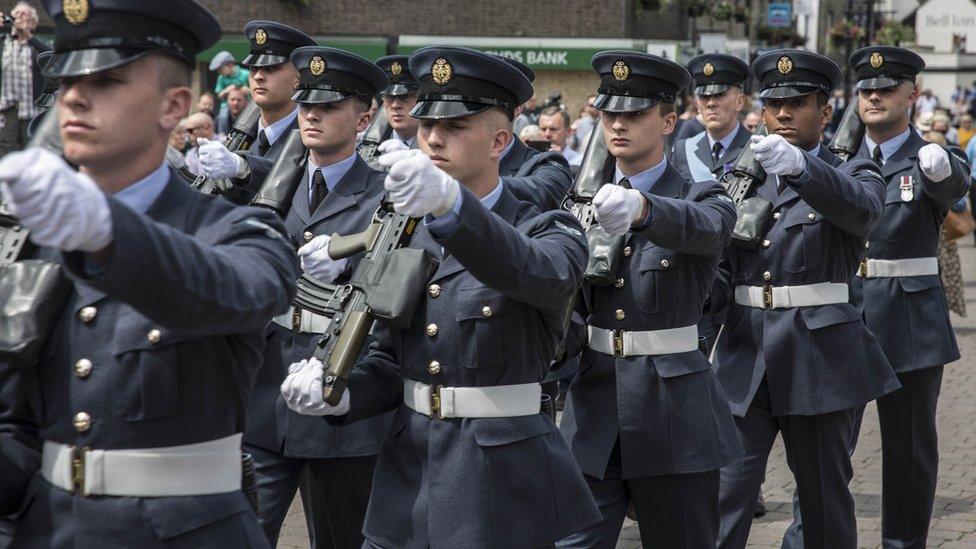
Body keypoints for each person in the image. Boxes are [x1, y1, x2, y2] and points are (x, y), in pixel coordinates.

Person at [0, 1, 299, 547]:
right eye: (66, 80)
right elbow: (17, 425)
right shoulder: (33, 237)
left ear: (174, 106)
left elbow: (241, 289)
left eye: (107, 80)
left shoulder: (236, 230)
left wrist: (105, 228)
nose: (74, 98)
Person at [279, 45, 601, 548]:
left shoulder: (547, 228)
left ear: (499, 140)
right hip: (407, 481)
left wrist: (453, 208)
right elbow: (390, 359)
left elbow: (538, 274)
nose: (432, 137)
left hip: (500, 483)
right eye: (428, 124)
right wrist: (336, 395)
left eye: (455, 127)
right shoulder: (405, 231)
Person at [710, 49, 899, 549]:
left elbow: (862, 211)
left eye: (798, 103)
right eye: (775, 105)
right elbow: (718, 271)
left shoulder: (856, 171)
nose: (784, 115)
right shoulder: (740, 177)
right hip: (745, 352)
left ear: (825, 111)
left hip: (820, 354)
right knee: (723, 492)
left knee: (821, 498)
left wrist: (801, 169)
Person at [556, 51, 741, 548]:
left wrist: (643, 208)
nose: (618, 124)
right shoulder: (579, 202)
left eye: (634, 114)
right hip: (594, 409)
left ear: (667, 121)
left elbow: (710, 229)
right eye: (609, 113)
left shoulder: (703, 195)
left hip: (673, 411)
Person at [242, 46, 389, 549]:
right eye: (306, 104)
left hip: (341, 390)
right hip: (267, 395)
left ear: (364, 117)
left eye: (328, 107)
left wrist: (356, 260)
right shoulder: (272, 187)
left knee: (342, 538)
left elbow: (416, 273)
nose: (312, 115)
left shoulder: (387, 195)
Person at [848, 46, 970, 549]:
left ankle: (903, 543)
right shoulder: (842, 162)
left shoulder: (930, 158)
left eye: (885, 89)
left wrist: (941, 170)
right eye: (866, 90)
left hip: (908, 316)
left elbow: (954, 185)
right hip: (845, 312)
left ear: (911, 95)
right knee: (825, 450)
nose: (873, 96)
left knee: (909, 449)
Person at [198, 21, 316, 204]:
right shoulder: (241, 135)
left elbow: (297, 180)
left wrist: (242, 167)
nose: (258, 76)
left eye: (271, 68)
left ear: (298, 79)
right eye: (254, 68)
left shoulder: (313, 136)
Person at [0, 2, 50, 157]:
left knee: (30, 147)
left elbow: (52, 56)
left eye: (24, 14)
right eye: (17, 14)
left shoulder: (35, 45)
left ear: (33, 22)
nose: (19, 17)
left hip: (31, 106)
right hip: (6, 108)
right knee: (6, 148)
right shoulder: (3, 43)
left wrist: (29, 36)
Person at [376, 55, 420, 148]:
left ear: (421, 99)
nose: (395, 105)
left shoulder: (436, 147)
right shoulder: (365, 146)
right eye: (389, 97)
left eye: (405, 97)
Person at [183, 111, 216, 176]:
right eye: (186, 131)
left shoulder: (227, 144)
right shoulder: (191, 155)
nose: (187, 135)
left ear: (206, 128)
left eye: (190, 131)